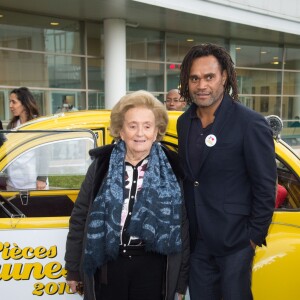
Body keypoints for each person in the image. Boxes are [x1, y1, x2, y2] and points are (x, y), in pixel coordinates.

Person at [65, 90, 189, 300]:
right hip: (109, 265)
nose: (140, 133)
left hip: (154, 269)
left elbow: (183, 227)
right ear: (121, 131)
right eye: (132, 126)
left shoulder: (174, 168)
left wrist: (180, 281)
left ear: (157, 131)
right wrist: (73, 268)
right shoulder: (101, 166)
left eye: (147, 126)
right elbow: (79, 218)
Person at [177, 43, 277, 300]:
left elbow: (265, 186)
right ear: (187, 82)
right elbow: (192, 179)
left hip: (236, 243)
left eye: (209, 77)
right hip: (198, 243)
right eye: (195, 78)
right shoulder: (183, 122)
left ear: (224, 77)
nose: (202, 85)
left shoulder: (250, 123)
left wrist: (253, 238)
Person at [6, 87, 47, 190]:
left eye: (13, 102)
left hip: (34, 183)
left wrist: (42, 179)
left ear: (24, 104)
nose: (10, 106)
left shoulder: (38, 125)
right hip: (13, 182)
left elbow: (45, 153)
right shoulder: (11, 126)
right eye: (10, 102)